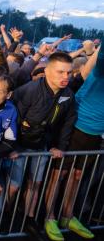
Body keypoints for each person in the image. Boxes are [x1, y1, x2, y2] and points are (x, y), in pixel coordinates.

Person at [11, 52, 77, 240]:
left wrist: (60, 147)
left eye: (69, 73)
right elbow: (13, 118)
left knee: (36, 183)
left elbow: (68, 122)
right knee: (14, 186)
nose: (65, 77)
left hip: (42, 146)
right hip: (19, 147)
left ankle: (29, 219)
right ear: (47, 71)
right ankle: (2, 216)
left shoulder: (68, 95)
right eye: (60, 72)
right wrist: (11, 147)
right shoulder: (29, 90)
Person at [56, 47, 103, 239]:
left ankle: (68, 216)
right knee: (58, 175)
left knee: (77, 176)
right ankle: (49, 217)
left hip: (95, 134)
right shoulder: (100, 70)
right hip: (77, 128)